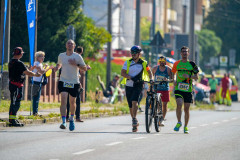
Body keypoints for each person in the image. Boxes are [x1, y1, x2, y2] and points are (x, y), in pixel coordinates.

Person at [53, 40, 90, 131]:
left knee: (72, 102)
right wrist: (56, 68)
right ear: (66, 45)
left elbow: (84, 68)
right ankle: (64, 121)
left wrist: (76, 64)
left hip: (74, 82)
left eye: (72, 44)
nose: (70, 45)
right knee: (63, 99)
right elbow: (59, 64)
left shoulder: (77, 56)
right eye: (68, 43)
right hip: (63, 81)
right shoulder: (61, 55)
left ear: (74, 46)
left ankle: (72, 118)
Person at [121, 45, 153, 132]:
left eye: (135, 53)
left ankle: (134, 118)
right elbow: (122, 73)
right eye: (132, 53)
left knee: (134, 101)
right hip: (129, 85)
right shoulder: (127, 62)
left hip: (138, 85)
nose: (133, 54)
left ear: (139, 54)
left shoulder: (143, 63)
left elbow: (149, 72)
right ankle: (134, 122)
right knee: (130, 105)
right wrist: (131, 77)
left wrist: (151, 80)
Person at [8, 47, 42, 126]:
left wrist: (30, 70)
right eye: (21, 53)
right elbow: (28, 73)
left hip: (13, 84)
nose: (22, 55)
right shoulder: (19, 63)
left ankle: (13, 119)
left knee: (14, 102)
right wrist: (36, 74)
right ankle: (12, 120)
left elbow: (23, 71)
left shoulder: (11, 62)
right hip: (17, 85)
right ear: (20, 54)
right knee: (15, 103)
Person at [172, 46, 199, 134]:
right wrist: (174, 80)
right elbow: (173, 73)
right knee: (179, 104)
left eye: (186, 52)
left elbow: (197, 77)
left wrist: (189, 76)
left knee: (186, 108)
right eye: (183, 51)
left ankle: (186, 126)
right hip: (178, 88)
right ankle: (179, 122)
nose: (184, 53)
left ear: (188, 53)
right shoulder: (176, 63)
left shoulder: (192, 64)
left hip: (188, 89)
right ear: (180, 53)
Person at [66, 46, 88, 122]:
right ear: (81, 52)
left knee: (70, 100)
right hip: (74, 81)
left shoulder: (70, 56)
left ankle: (67, 117)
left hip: (70, 81)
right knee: (76, 100)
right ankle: (77, 117)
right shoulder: (77, 58)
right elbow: (82, 69)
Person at [152, 56, 173, 126]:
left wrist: (168, 80)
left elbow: (172, 79)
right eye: (160, 62)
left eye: (163, 62)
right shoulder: (155, 68)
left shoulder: (168, 69)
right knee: (158, 104)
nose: (161, 63)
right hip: (157, 88)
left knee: (164, 104)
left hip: (165, 89)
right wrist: (152, 81)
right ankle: (158, 116)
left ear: (165, 62)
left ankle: (162, 118)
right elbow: (151, 76)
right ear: (159, 62)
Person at [32, 51, 54, 116]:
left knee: (37, 97)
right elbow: (41, 71)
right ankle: (35, 112)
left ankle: (36, 111)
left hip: (39, 82)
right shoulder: (37, 63)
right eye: (41, 56)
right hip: (36, 82)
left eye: (43, 56)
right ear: (38, 57)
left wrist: (45, 68)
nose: (43, 58)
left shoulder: (39, 63)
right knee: (36, 97)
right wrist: (48, 68)